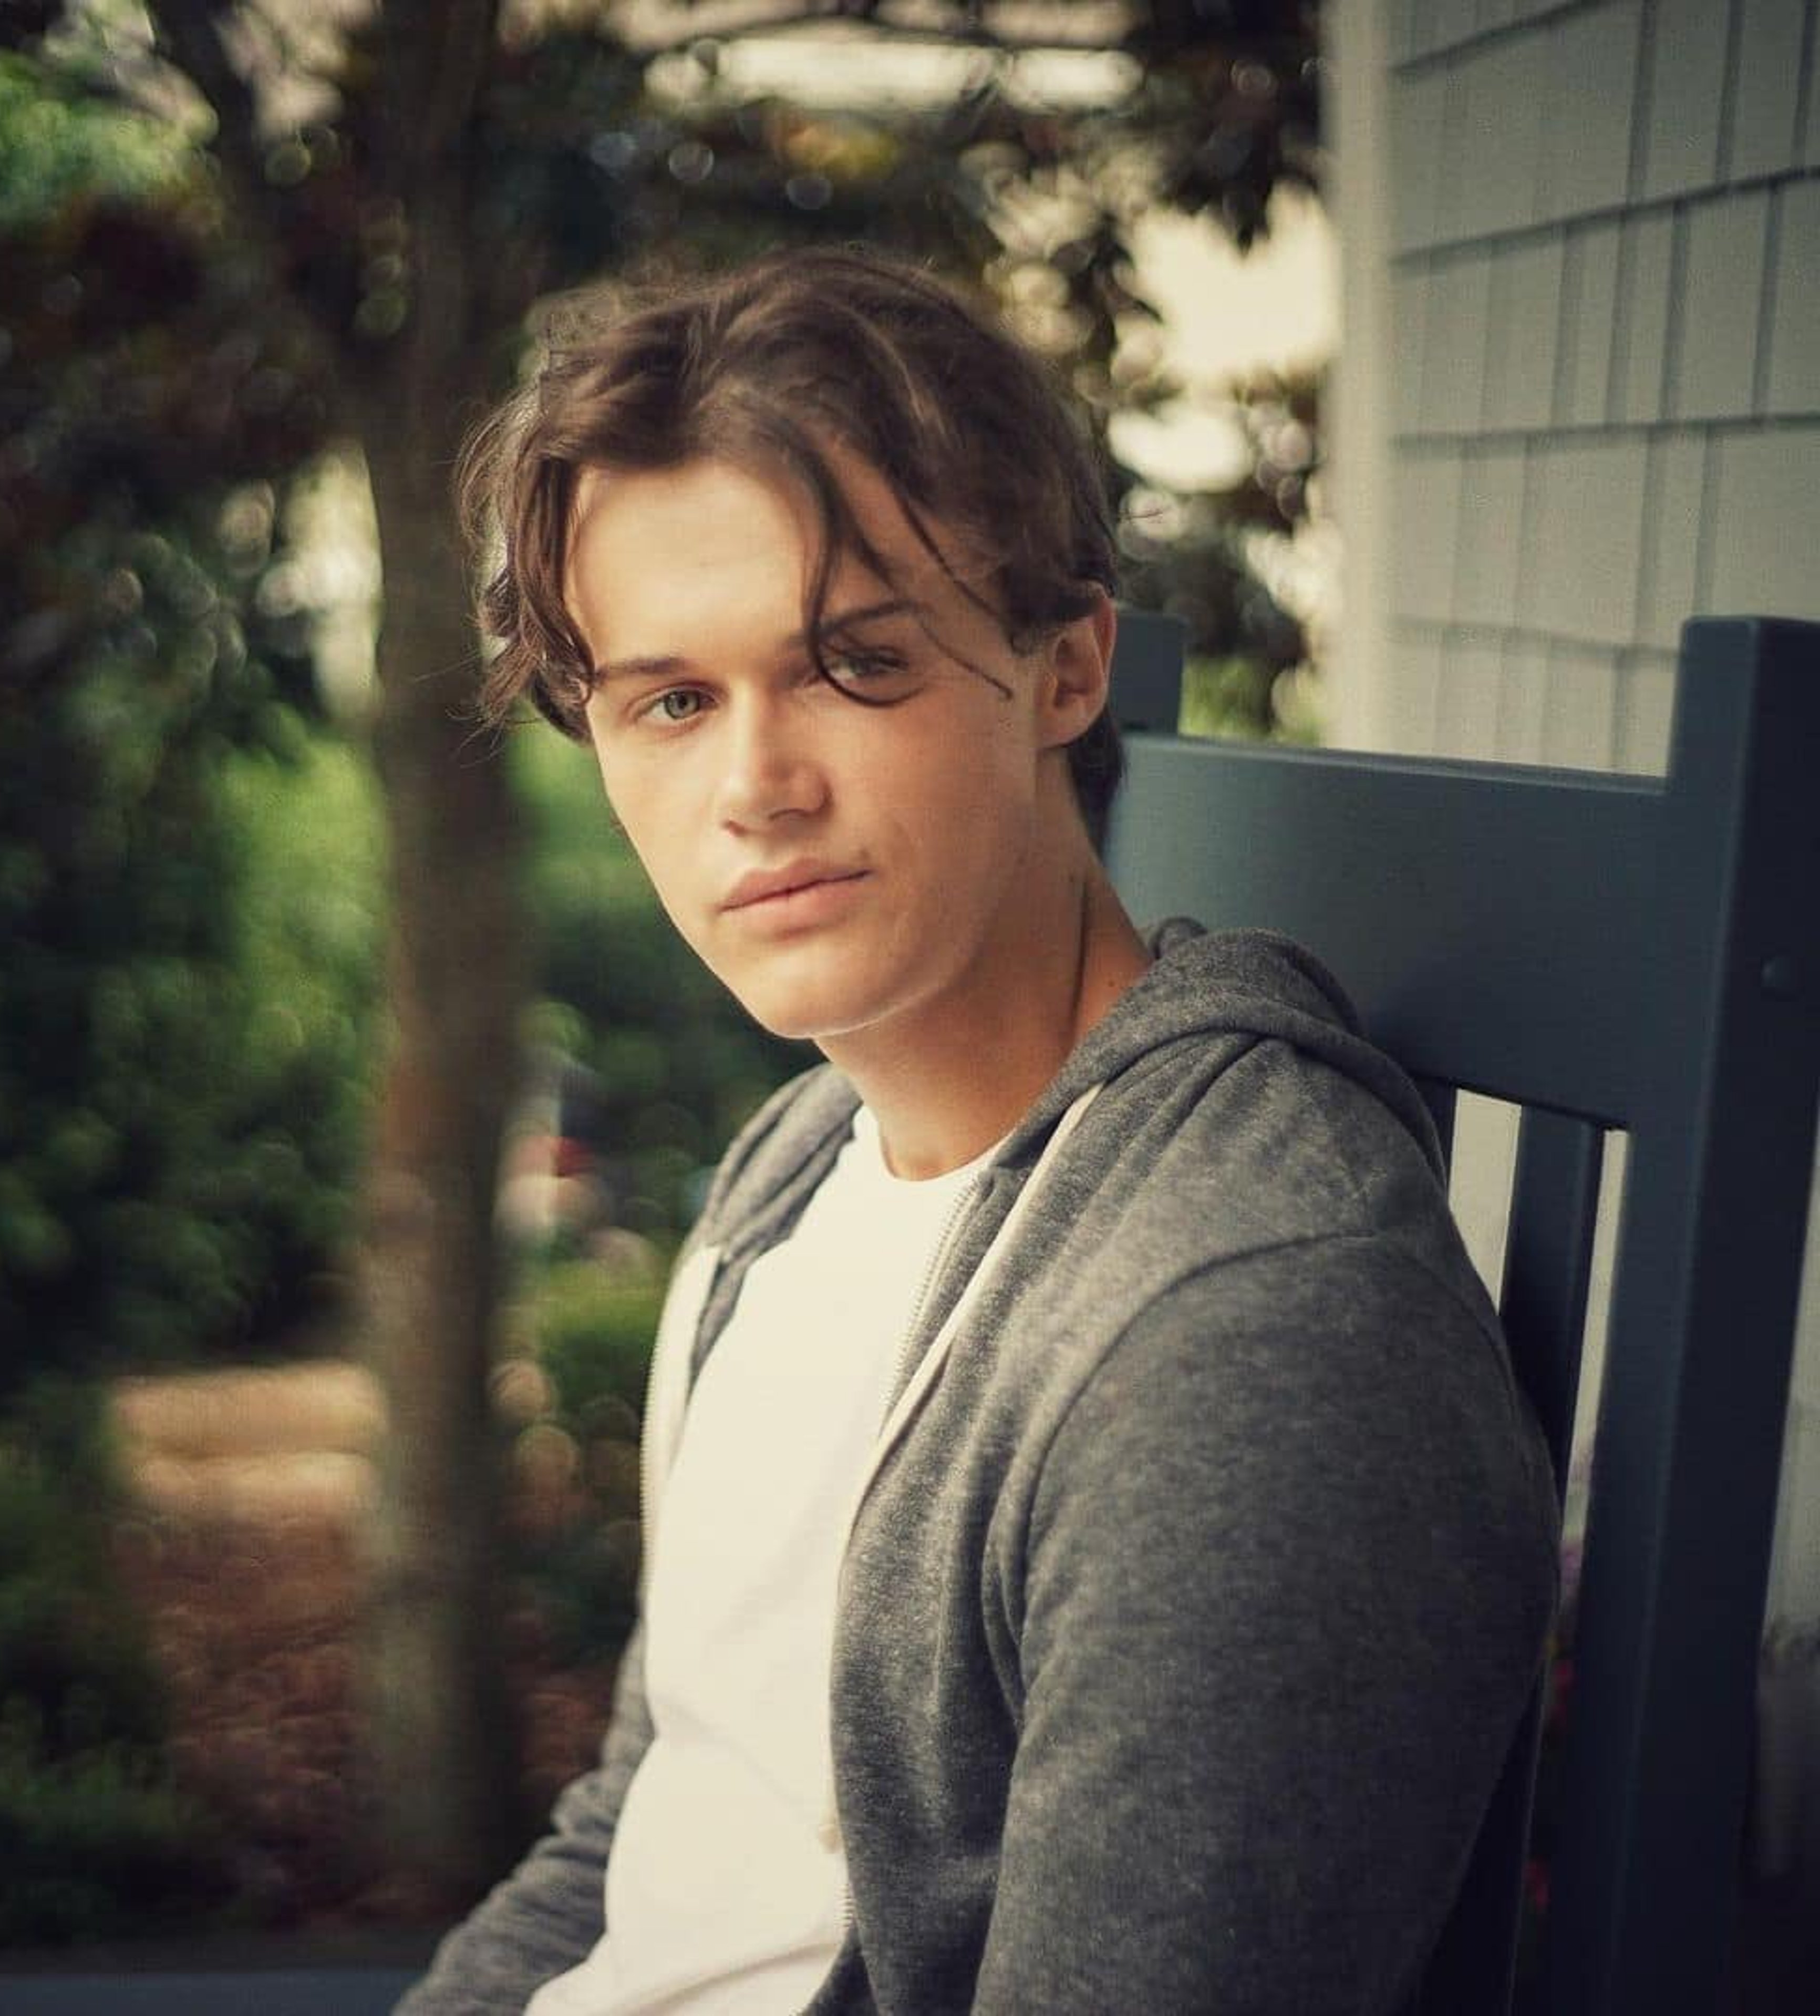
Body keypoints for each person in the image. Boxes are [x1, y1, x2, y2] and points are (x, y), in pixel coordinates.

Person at [400, 246, 1559, 2015]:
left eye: (854, 663)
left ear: (1066, 666)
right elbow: (644, 1834)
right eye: (671, 700)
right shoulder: (782, 1181)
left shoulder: (1249, 1327)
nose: (754, 788)